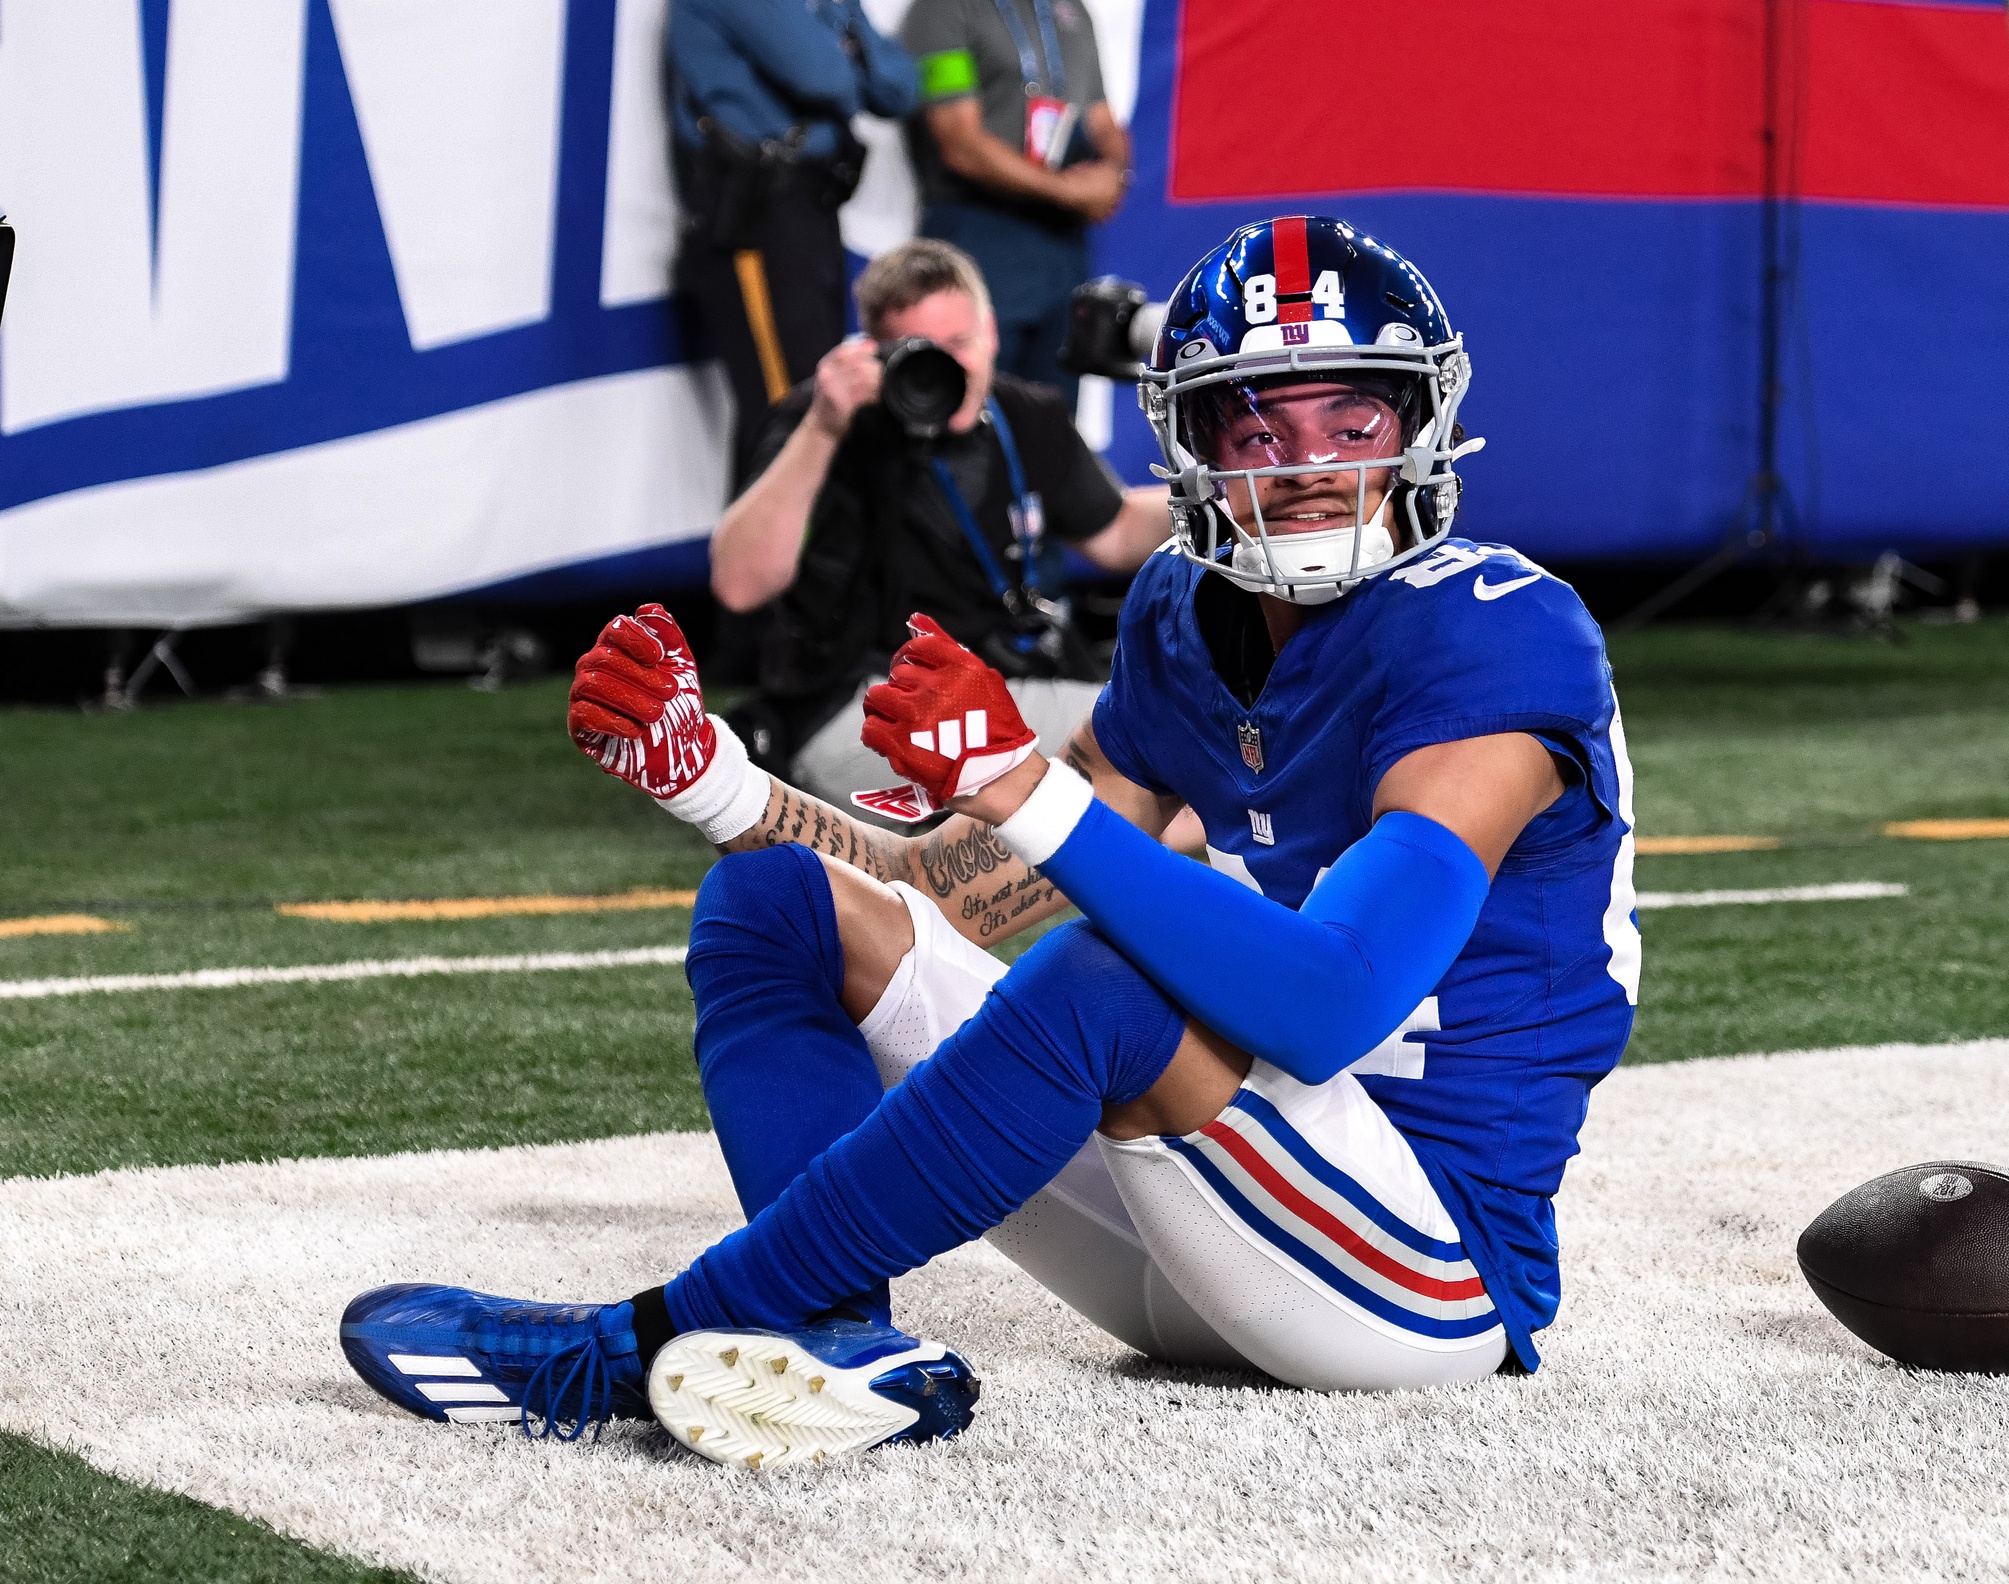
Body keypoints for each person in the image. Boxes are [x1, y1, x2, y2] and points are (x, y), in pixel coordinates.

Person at [338, 218, 1640, 1470]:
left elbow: (1332, 1001)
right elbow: (948, 893)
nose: (1303, 462)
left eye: (1350, 418)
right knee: (783, 901)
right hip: (1193, 1217)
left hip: (1422, 1272)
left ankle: (648, 1345)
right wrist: (721, 788)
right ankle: (832, 1340)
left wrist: (1025, 784)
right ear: (1187, 441)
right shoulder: (1185, 612)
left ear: (1422, 426)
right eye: (1255, 423)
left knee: (1104, 976)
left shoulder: (1497, 628)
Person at [709, 238, 1170, 814]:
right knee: (1140, 755)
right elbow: (740, 583)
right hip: (863, 701)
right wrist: (822, 431)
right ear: (876, 352)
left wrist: (1222, 496)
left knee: (1160, 747)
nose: (949, 367)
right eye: (922, 349)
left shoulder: (1023, 413)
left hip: (997, 690)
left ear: (992, 332)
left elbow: (1118, 531)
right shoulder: (828, 421)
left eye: (961, 342)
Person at [668, 0, 917, 480]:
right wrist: (846, 51)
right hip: (756, 217)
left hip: (811, 211)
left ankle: (789, 554)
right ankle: (766, 555)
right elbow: (825, 75)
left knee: (812, 408)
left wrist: (841, 42)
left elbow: (898, 88)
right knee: (789, 417)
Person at [899, 0, 1130, 404]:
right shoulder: (944, 10)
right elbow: (959, 142)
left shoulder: (1070, 11)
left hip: (1061, 248)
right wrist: (1069, 190)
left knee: (1051, 419)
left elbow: (1102, 120)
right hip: (979, 235)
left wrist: (1113, 171)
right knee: (969, 408)